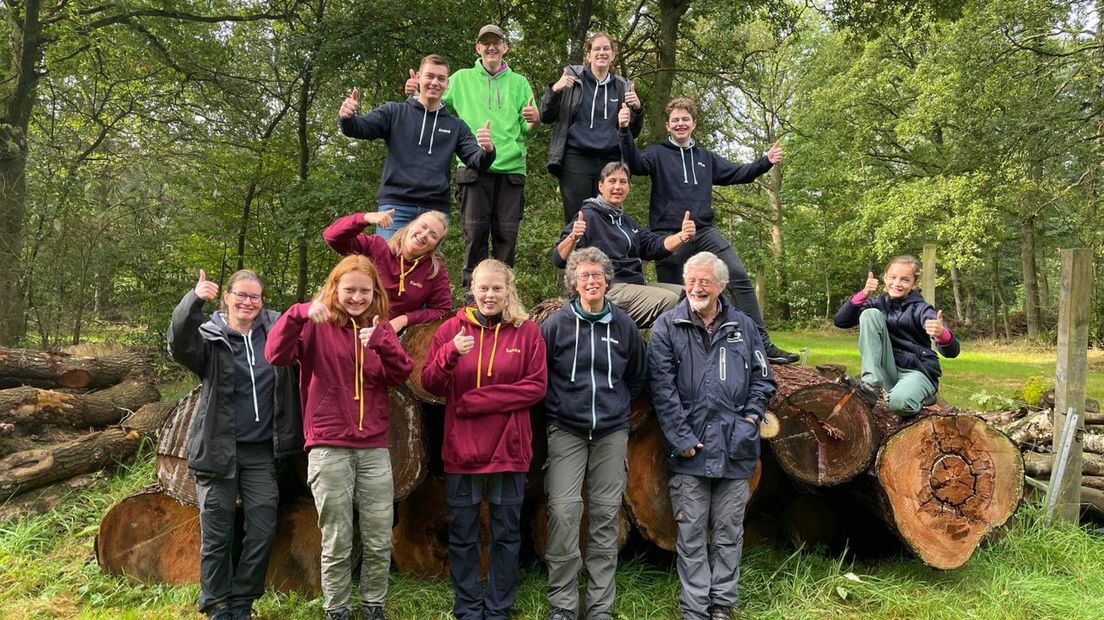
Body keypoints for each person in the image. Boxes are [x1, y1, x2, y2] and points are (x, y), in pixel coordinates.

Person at [264, 255, 413, 620]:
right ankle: (338, 609)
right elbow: (275, 354)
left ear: (375, 292)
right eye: (349, 290)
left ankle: (374, 605)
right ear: (335, 289)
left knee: (379, 536)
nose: (357, 297)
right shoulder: (315, 323)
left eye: (365, 290)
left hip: (373, 446)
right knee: (336, 536)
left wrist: (383, 342)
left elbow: (400, 374)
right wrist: (298, 312)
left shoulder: (381, 328)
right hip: (328, 444)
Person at [618, 96, 799, 364]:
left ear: (694, 124)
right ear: (668, 126)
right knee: (677, 297)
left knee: (737, 276)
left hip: (704, 231)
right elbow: (634, 163)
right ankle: (679, 355)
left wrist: (766, 161)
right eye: (675, 120)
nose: (680, 124)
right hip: (670, 235)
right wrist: (624, 131)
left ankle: (762, 344)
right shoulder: (657, 154)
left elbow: (738, 173)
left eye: (685, 120)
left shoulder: (705, 157)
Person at [648, 252, 777, 620]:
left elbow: (763, 378)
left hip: (737, 446)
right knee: (690, 534)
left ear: (720, 286)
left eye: (705, 281)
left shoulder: (744, 326)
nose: (696, 287)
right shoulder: (667, 327)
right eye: (692, 280)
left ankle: (722, 604)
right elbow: (662, 389)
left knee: (728, 531)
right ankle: (694, 607)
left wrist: (751, 417)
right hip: (689, 449)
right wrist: (681, 437)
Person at [168, 269, 302, 620]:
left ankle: (243, 602)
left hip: (262, 454)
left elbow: (306, 326)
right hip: (217, 451)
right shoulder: (209, 337)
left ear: (261, 301)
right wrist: (193, 300)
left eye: (254, 296)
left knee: (261, 528)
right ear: (226, 297)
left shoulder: (274, 331)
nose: (247, 302)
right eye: (240, 295)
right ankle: (216, 605)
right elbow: (178, 342)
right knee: (218, 532)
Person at [421, 259, 548, 620]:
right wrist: (449, 354)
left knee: (507, 533)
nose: (489, 295)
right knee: (464, 534)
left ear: (508, 289)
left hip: (509, 450)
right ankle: (468, 607)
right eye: (483, 288)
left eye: (496, 288)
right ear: (472, 289)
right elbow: (430, 383)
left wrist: (477, 400)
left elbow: (535, 387)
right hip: (463, 450)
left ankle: (498, 607)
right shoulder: (451, 329)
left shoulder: (527, 332)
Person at [540, 247, 647, 620]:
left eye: (597, 275)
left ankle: (600, 607)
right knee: (564, 513)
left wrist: (614, 408)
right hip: (566, 430)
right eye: (584, 276)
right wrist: (560, 408)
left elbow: (636, 376)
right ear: (573, 282)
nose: (591, 281)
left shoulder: (623, 325)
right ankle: (563, 605)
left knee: (605, 516)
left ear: (607, 280)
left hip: (610, 432)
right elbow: (541, 375)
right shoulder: (556, 325)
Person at [407, 25, 539, 290]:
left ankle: (503, 296)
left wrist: (535, 121)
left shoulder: (520, 82)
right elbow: (431, 100)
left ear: (505, 48)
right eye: (485, 43)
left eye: (497, 43)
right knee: (474, 235)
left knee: (506, 237)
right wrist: (415, 89)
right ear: (478, 48)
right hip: (473, 166)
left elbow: (528, 129)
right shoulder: (460, 78)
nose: (491, 47)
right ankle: (471, 295)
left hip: (512, 170)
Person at [340, 54, 495, 239]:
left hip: (434, 212)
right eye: (430, 76)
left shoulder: (456, 126)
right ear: (419, 78)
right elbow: (360, 128)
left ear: (447, 84)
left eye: (441, 78)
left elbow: (476, 161)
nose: (435, 83)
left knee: (427, 269)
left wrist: (487, 150)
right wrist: (347, 117)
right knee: (386, 265)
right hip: (394, 208)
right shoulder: (394, 112)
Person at [552, 161, 696, 328]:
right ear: (600, 186)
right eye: (612, 181)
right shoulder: (588, 216)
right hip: (609, 288)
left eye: (623, 182)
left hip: (636, 285)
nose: (618, 186)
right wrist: (573, 237)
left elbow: (653, 245)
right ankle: (658, 350)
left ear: (629, 187)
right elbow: (558, 258)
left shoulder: (626, 221)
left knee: (691, 295)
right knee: (670, 301)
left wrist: (682, 236)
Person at [833, 255, 959, 415]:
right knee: (869, 314)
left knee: (898, 405)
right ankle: (870, 386)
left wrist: (942, 334)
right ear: (885, 278)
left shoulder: (921, 309)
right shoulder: (877, 303)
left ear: (914, 284)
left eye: (905, 280)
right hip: (889, 369)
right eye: (893, 277)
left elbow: (952, 352)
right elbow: (840, 321)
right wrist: (864, 293)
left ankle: (925, 396)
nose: (897, 283)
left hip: (917, 371)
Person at [539, 32, 644, 223]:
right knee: (576, 220)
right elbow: (545, 116)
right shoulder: (572, 79)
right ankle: (576, 254)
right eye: (597, 49)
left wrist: (636, 109)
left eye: (606, 49)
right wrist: (555, 89)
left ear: (613, 55)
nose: (601, 52)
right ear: (588, 55)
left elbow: (633, 133)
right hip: (575, 159)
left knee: (606, 219)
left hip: (609, 162)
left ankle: (604, 255)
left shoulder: (623, 87)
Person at [323, 209, 452, 333]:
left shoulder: (434, 272)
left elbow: (443, 311)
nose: (424, 235)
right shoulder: (375, 247)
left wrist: (404, 320)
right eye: (423, 226)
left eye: (433, 235)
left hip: (390, 339)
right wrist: (365, 218)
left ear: (435, 245)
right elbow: (332, 236)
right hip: (349, 326)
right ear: (411, 225)